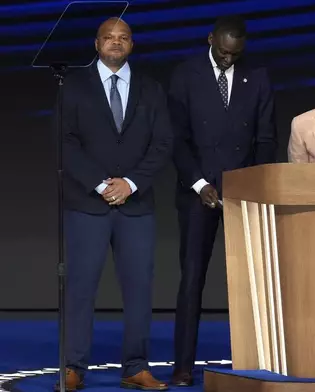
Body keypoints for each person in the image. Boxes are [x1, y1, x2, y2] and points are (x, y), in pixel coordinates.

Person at [55, 17, 173, 391]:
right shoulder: (73, 86)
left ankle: (136, 367)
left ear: (132, 45)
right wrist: (100, 184)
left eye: (123, 38)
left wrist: (130, 183)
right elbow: (65, 142)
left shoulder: (151, 89)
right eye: (109, 37)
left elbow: (163, 143)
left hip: (136, 206)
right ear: (96, 44)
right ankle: (72, 367)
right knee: (80, 288)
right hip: (86, 204)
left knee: (139, 288)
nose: (116, 43)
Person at [168, 15, 277, 386]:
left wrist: (249, 186)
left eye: (235, 54)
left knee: (251, 283)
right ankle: (183, 365)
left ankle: (254, 361)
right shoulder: (185, 75)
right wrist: (199, 183)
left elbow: (265, 139)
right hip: (198, 193)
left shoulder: (258, 78)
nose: (229, 59)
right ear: (210, 38)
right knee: (192, 280)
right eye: (223, 52)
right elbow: (176, 139)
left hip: (242, 196)